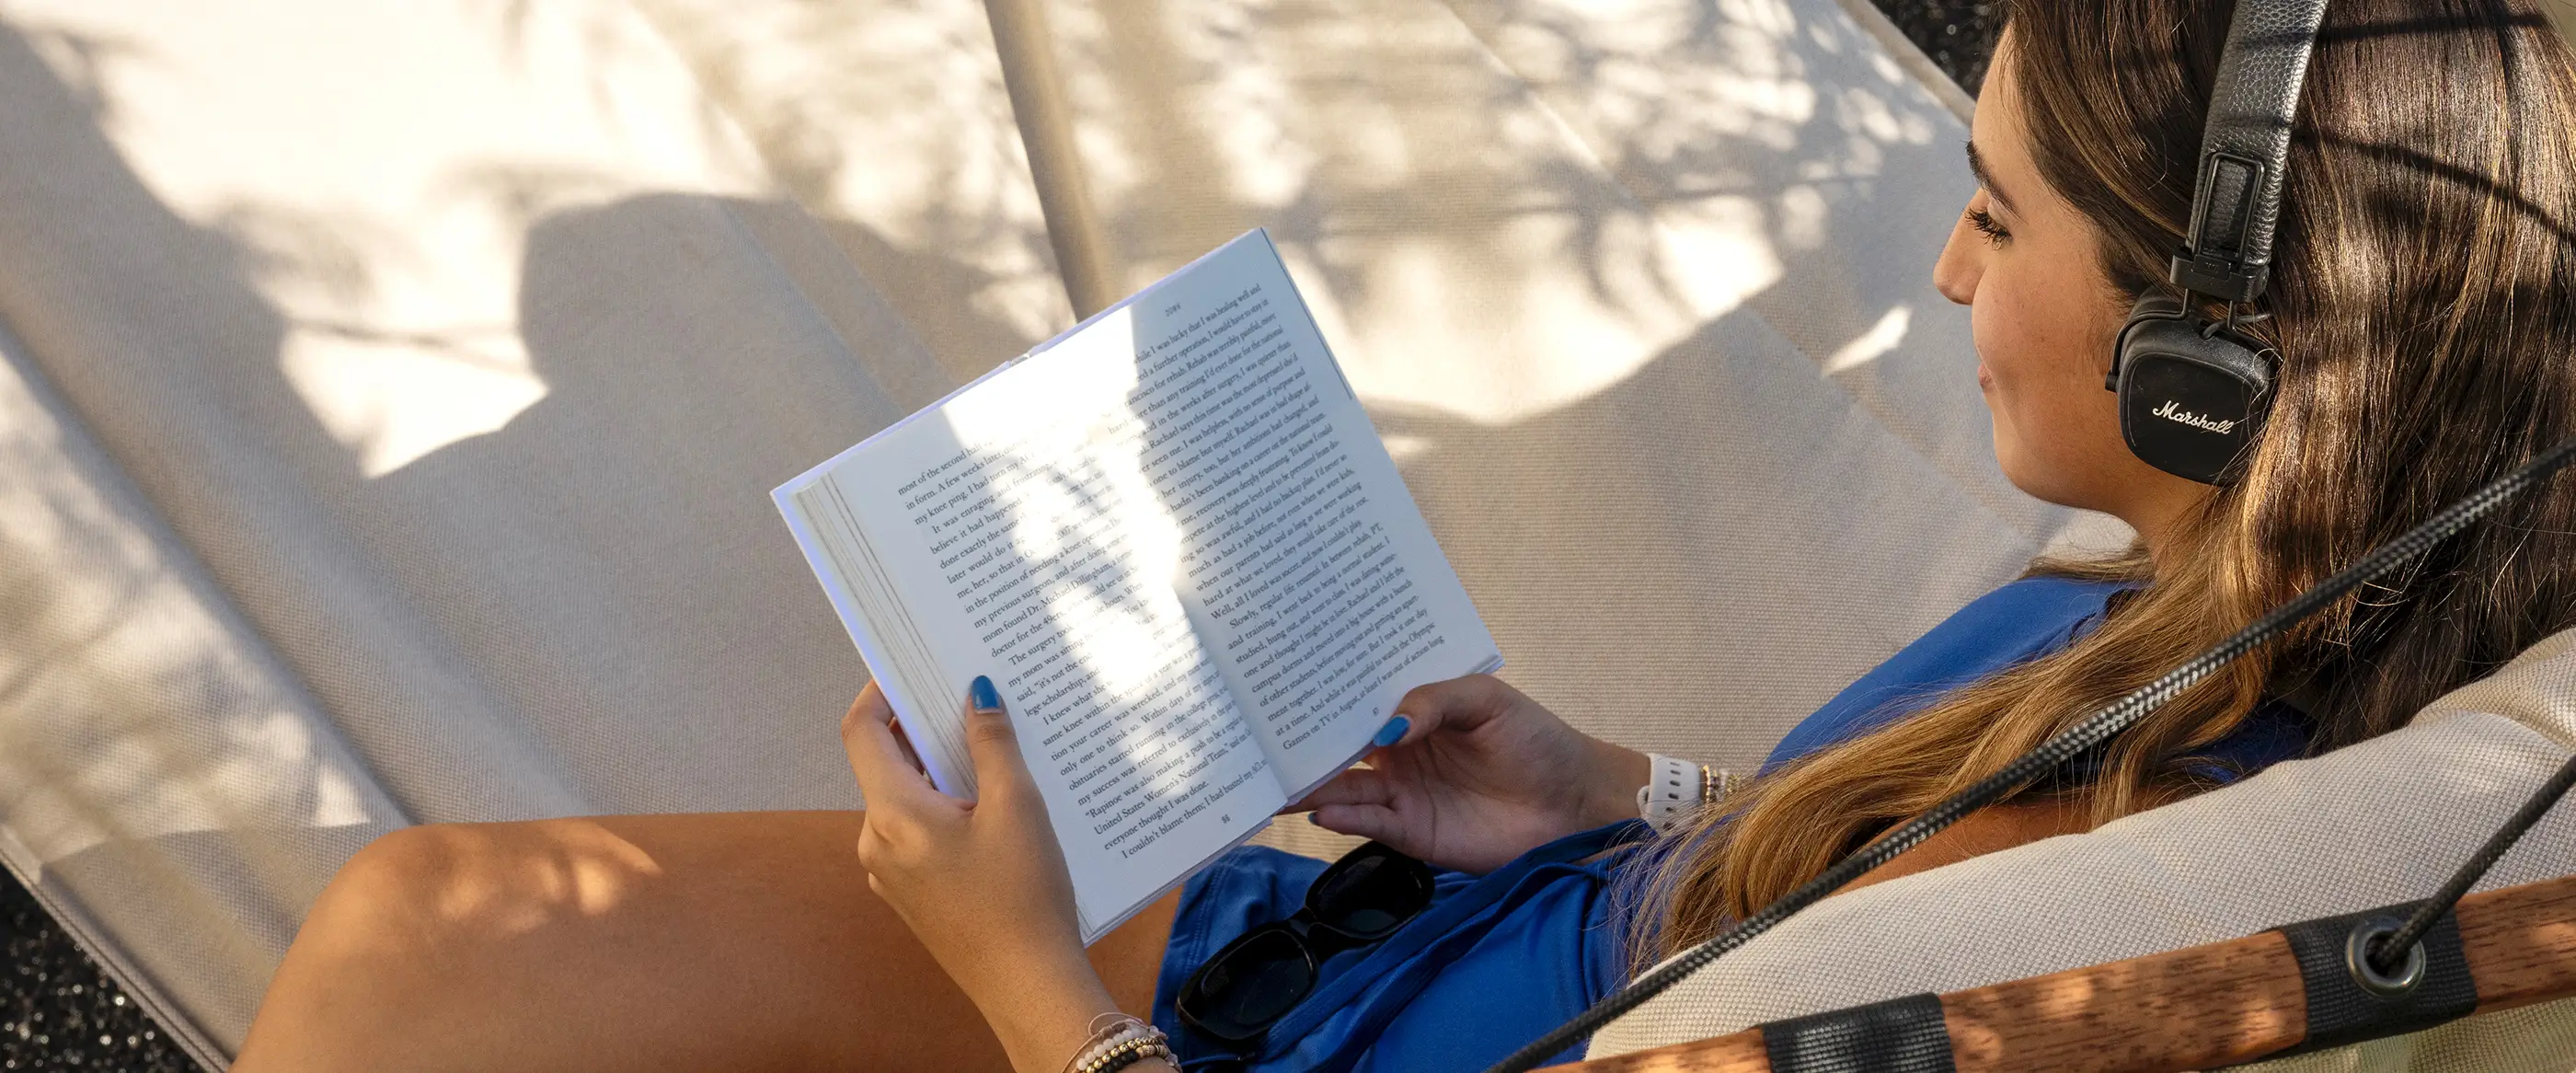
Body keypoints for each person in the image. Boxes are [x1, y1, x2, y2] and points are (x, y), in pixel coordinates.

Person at [228, 0, 2576, 1069]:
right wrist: (1622, 793)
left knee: (436, 947)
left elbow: (1925, 933)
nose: (1948, 275)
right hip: (1455, 937)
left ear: (2212, 360)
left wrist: (1019, 972)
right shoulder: (2236, 626)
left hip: (1312, 1033)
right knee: (411, 921)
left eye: (1993, 214)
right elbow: (1865, 887)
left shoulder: (2148, 863)